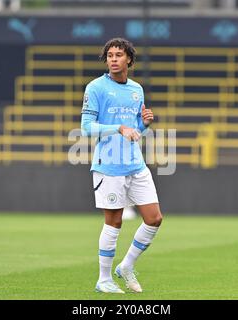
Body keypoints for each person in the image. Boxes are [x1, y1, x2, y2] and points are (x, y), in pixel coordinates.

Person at [81, 38, 163, 294]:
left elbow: (135, 130)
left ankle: (126, 266)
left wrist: (144, 125)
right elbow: (86, 128)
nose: (113, 58)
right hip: (109, 166)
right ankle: (104, 279)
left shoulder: (136, 89)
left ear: (129, 59)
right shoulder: (95, 88)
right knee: (114, 222)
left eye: (119, 54)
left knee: (154, 218)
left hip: (135, 164)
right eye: (110, 55)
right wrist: (117, 127)